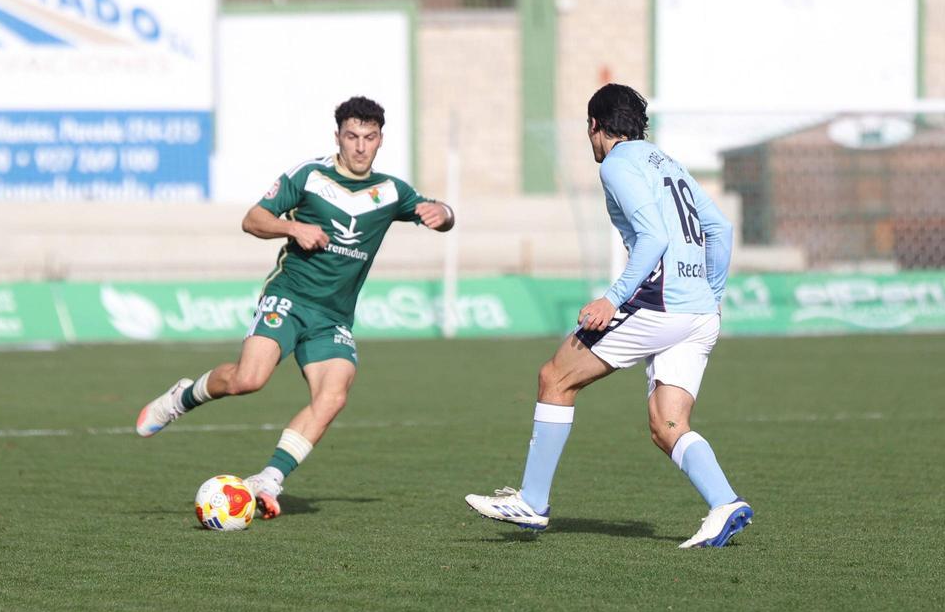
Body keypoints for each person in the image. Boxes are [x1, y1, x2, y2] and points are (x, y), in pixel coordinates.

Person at [135, 96, 454, 519]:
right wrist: (293, 226)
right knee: (248, 379)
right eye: (352, 136)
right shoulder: (308, 176)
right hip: (290, 296)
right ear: (337, 137)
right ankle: (183, 397)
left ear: (380, 141)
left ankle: (269, 478)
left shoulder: (393, 191)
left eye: (370, 138)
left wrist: (443, 212)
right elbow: (253, 219)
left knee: (334, 395)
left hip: (334, 317)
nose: (360, 146)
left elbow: (442, 215)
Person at [464, 84, 752, 548]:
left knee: (555, 377)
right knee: (668, 424)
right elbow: (720, 227)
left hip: (657, 305)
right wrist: (710, 292)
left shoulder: (619, 163)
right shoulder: (667, 162)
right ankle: (725, 503)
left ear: (595, 126)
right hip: (697, 312)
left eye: (588, 129)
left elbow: (653, 237)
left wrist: (612, 299)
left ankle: (532, 502)